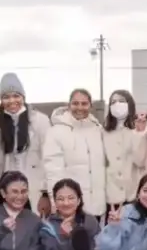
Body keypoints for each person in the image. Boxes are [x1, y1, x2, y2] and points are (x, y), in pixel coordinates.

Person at [44, 89, 108, 218]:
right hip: (70, 207)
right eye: (75, 103)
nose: (80, 107)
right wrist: (56, 203)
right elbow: (53, 171)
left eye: (84, 103)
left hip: (98, 207)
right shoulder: (56, 132)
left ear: (91, 106)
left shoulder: (98, 130)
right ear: (68, 105)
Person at [0, 72, 52, 215]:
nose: (12, 101)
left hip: (34, 189)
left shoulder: (40, 121)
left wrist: (45, 192)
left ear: (23, 97)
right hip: (9, 191)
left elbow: (49, 158)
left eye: (16, 96)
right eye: (6, 97)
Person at [102, 89, 147, 210]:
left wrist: (139, 133)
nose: (117, 104)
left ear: (129, 104)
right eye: (113, 102)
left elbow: (141, 161)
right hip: (111, 196)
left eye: (121, 101)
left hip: (133, 194)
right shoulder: (103, 132)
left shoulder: (145, 129)